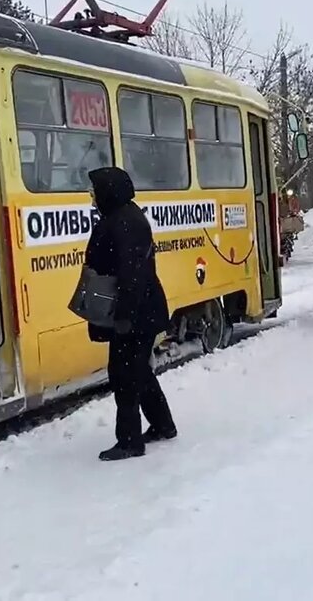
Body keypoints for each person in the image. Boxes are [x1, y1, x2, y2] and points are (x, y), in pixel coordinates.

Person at [83, 166, 176, 461]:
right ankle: (163, 425)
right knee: (138, 372)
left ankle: (129, 441)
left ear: (108, 191)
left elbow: (132, 273)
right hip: (138, 310)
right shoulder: (122, 216)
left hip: (136, 313)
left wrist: (124, 316)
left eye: (95, 191)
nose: (91, 196)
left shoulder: (125, 222)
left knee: (124, 376)